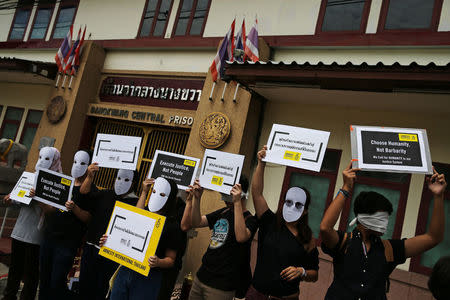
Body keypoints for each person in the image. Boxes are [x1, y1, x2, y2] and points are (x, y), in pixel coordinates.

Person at [320, 162, 447, 300]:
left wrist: (438, 196)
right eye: (380, 217)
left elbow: (434, 238)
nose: (385, 223)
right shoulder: (344, 242)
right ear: (363, 216)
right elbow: (325, 228)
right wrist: (346, 188)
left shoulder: (390, 250)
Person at [245, 145, 319, 300]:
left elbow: (314, 274)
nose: (292, 207)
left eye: (299, 205)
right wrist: (261, 163)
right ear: (284, 202)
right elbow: (257, 193)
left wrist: (301, 271)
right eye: (289, 202)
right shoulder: (269, 222)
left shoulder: (307, 237)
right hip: (258, 294)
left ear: (305, 210)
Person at [102, 177, 183, 300]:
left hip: (148, 277)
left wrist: (158, 262)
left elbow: (171, 259)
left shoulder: (172, 225)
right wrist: (109, 241)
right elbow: (135, 218)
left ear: (170, 198)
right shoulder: (145, 213)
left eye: (162, 194)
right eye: (154, 192)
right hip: (126, 268)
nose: (156, 196)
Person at [182, 176, 258, 300]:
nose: (226, 200)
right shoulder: (224, 212)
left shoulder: (250, 220)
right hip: (202, 277)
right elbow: (196, 222)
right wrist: (197, 198)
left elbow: (241, 237)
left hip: (221, 286)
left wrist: (237, 202)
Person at [2, 146, 62, 300]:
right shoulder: (29, 177)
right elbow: (18, 200)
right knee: (15, 267)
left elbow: (52, 211)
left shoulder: (56, 183)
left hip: (37, 234)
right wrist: (11, 198)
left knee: (31, 271)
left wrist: (38, 197)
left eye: (47, 159)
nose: (42, 161)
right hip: (20, 229)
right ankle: (9, 295)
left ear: (55, 161)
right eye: (41, 157)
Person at [37, 150, 93, 300]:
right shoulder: (64, 182)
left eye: (82, 163)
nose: (78, 165)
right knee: (44, 280)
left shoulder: (91, 191)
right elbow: (51, 210)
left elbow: (88, 218)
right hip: (49, 238)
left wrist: (74, 208)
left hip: (67, 243)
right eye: (76, 161)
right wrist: (38, 197)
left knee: (57, 283)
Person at [78, 163, 139, 300]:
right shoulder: (105, 194)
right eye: (118, 178)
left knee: (102, 291)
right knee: (84, 288)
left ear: (134, 182)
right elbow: (83, 193)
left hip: (111, 256)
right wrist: (89, 176)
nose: (121, 182)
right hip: (91, 248)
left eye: (126, 179)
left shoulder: (135, 203)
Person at [157, 195, 188, 300]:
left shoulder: (180, 210)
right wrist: (144, 192)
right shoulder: (151, 208)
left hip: (166, 267)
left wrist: (191, 200)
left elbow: (185, 226)